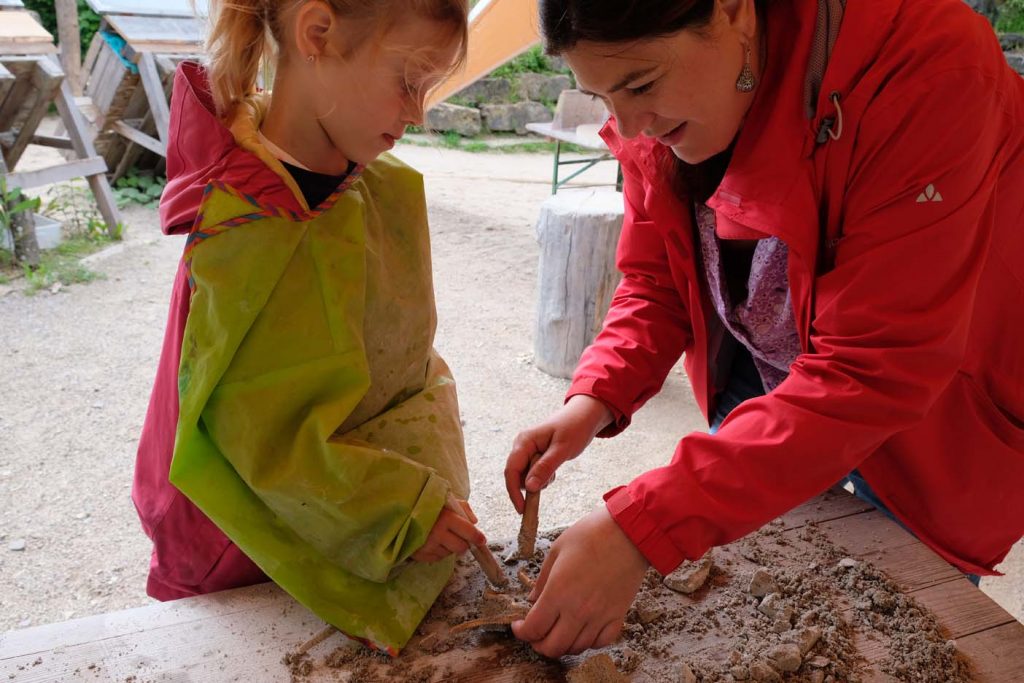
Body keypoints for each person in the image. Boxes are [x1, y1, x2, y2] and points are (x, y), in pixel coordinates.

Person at [505, 0, 1024, 658]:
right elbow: (655, 278)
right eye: (601, 98)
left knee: (889, 651)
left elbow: (874, 369)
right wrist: (594, 397)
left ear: (734, 11)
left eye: (640, 85)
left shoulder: (925, 71)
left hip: (932, 428)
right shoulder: (652, 112)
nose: (630, 125)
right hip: (765, 395)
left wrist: (642, 526)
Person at [132, 0, 483, 653]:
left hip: (353, 524)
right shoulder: (247, 221)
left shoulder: (375, 184)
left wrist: (425, 495)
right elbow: (260, 429)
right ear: (317, 33)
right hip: (236, 546)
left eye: (428, 88)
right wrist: (399, 510)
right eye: (408, 80)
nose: (418, 112)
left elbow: (410, 363)